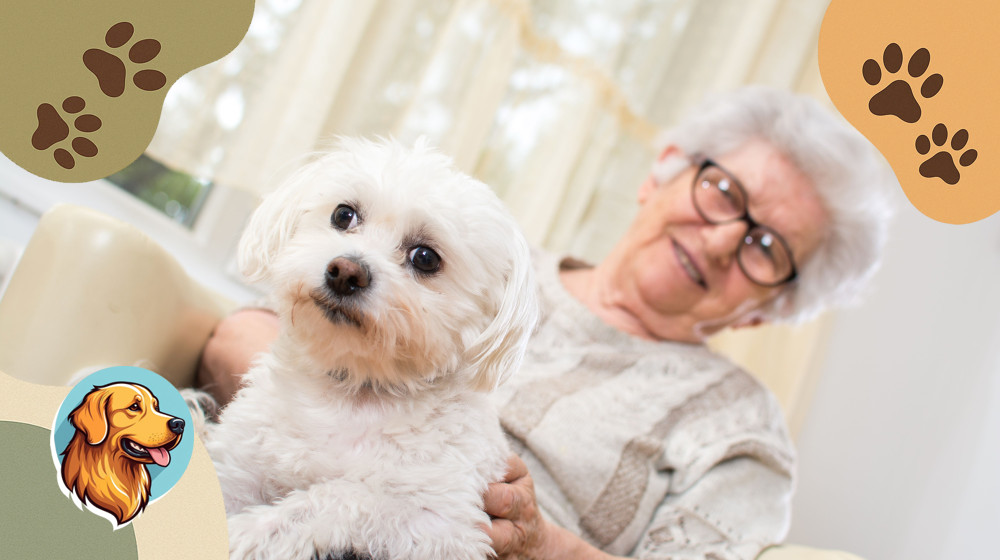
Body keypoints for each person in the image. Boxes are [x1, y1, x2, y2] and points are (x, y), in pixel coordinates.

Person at [197, 86, 895, 559]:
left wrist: (540, 543)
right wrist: (336, 431)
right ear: (662, 173)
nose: (720, 242)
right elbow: (237, 335)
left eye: (766, 248)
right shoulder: (489, 258)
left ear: (773, 307)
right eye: (722, 192)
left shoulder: (740, 427)